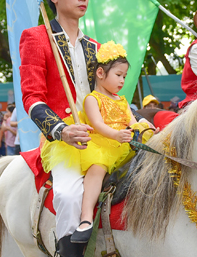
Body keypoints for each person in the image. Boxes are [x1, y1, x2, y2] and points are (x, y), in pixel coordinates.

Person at [19, 0, 100, 257]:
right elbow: (32, 98)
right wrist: (60, 129)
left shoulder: (96, 45)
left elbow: (107, 92)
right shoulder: (36, 38)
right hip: (64, 140)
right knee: (68, 195)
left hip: (101, 135)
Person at [42, 42, 144, 245]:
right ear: (100, 73)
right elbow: (97, 125)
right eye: (118, 75)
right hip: (102, 145)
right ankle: (86, 218)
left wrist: (143, 128)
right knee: (97, 169)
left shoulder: (123, 101)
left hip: (121, 143)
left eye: (124, 76)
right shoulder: (92, 99)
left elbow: (133, 123)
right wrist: (116, 134)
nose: (122, 80)